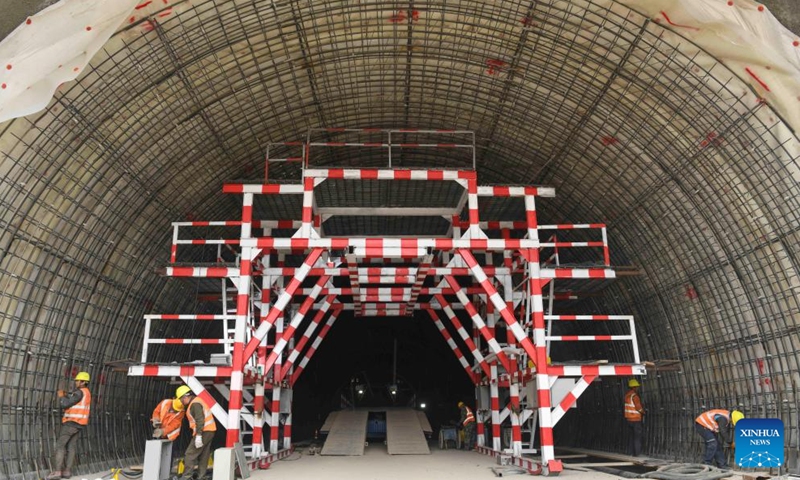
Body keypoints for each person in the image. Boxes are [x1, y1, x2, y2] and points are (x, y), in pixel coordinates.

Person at [46, 372, 92, 480]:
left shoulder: (79, 392)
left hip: (71, 423)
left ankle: (57, 472)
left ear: (83, 382)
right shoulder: (86, 393)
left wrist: (62, 397)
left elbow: (65, 404)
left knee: (60, 446)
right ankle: (67, 472)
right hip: (79, 424)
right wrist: (68, 396)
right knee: (71, 447)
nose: (76, 382)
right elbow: (75, 403)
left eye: (78, 380)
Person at [177, 386, 217, 479]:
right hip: (209, 430)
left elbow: (200, 420)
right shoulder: (197, 401)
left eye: (181, 400)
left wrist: (198, 435)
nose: (181, 402)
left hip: (204, 431)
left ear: (185, 397)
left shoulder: (195, 404)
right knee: (204, 454)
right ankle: (200, 476)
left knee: (190, 454)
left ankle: (187, 477)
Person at [624, 379, 645, 456]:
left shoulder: (627, 396)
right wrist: (643, 412)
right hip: (636, 419)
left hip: (629, 419)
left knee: (631, 436)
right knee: (637, 437)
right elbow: (638, 407)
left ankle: (630, 452)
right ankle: (637, 453)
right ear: (634, 387)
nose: (638, 388)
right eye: (637, 387)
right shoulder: (635, 396)